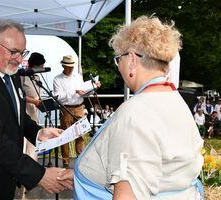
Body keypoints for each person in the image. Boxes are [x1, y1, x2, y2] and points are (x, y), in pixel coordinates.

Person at [57, 16, 204, 199]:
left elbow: (128, 192)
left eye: (119, 59)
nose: (118, 66)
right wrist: (84, 177)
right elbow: (161, 167)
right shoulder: (175, 100)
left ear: (133, 60)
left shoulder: (134, 113)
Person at [0, 19, 71, 200]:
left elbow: (16, 113)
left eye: (22, 52)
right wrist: (39, 174)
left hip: (5, 177)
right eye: (14, 52)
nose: (19, 59)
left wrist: (38, 132)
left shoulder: (10, 73)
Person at [21, 52, 45, 161]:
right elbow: (19, 96)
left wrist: (39, 102)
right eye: (41, 66)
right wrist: (34, 101)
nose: (43, 68)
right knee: (22, 144)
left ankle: (32, 165)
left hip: (34, 113)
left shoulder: (37, 77)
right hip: (24, 113)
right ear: (35, 65)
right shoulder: (22, 76)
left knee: (33, 143)